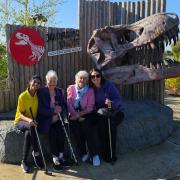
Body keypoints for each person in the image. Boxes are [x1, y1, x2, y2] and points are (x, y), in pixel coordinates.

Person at [89, 68, 124, 164]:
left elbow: (118, 99)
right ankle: (105, 154)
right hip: (102, 113)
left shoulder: (109, 85)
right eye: (93, 76)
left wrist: (111, 103)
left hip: (116, 112)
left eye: (97, 75)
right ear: (90, 78)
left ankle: (112, 154)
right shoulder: (92, 89)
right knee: (101, 127)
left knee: (111, 126)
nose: (95, 78)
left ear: (101, 76)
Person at [37, 70, 70, 171]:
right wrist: (52, 112)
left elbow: (64, 104)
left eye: (54, 81)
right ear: (46, 81)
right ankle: (55, 159)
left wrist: (61, 110)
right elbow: (40, 109)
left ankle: (60, 156)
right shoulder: (41, 92)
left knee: (61, 132)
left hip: (58, 118)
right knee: (52, 134)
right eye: (50, 81)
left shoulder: (59, 91)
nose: (52, 83)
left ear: (57, 81)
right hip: (46, 119)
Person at [67, 70, 100, 166]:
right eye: (80, 78)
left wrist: (79, 116)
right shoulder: (70, 88)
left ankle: (94, 154)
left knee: (87, 128)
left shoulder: (90, 90)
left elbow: (90, 107)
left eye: (84, 78)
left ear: (87, 80)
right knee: (76, 129)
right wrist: (76, 116)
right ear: (76, 79)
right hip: (73, 114)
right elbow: (69, 104)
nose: (82, 80)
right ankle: (83, 152)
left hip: (86, 114)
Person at [14, 75, 43, 173]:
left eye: (38, 83)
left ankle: (24, 161)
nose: (36, 84)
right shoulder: (22, 96)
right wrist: (29, 120)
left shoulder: (38, 95)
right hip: (20, 121)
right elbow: (20, 114)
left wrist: (35, 120)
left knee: (28, 134)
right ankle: (36, 153)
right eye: (34, 82)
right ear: (30, 82)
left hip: (32, 122)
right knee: (31, 127)